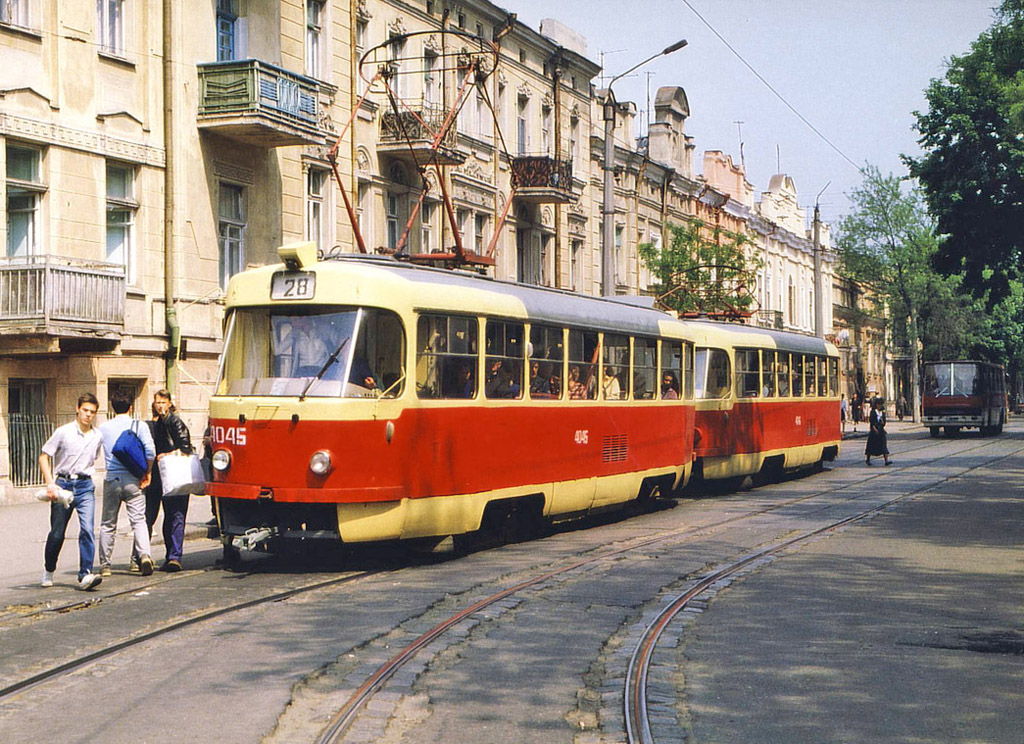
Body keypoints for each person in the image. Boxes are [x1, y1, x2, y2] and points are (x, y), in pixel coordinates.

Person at [38, 393, 104, 590]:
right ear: (77, 409)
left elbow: (93, 459)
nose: (88, 415)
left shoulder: (97, 436)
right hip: (63, 485)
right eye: (85, 410)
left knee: (87, 530)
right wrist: (51, 483)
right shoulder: (63, 432)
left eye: (92, 412)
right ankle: (49, 569)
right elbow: (44, 456)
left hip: (85, 487)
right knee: (57, 533)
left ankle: (85, 574)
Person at [98, 390, 157, 577]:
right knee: (139, 520)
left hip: (112, 479)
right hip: (133, 480)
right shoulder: (139, 425)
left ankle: (106, 565)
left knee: (108, 523)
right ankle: (144, 556)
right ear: (131, 407)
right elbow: (151, 452)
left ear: (112, 407)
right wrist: (147, 473)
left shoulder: (103, 428)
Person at [150, 389, 194, 572]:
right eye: (157, 402)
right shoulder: (160, 423)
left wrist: (166, 455)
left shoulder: (175, 422)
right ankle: (171, 556)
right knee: (169, 517)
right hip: (166, 477)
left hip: (178, 476)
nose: (160, 405)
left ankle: (175, 556)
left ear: (169, 403)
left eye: (163, 402)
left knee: (176, 515)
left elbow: (186, 448)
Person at [865, 397, 891, 466]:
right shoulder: (873, 412)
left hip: (881, 430)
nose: (880, 405)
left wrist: (883, 423)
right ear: (876, 404)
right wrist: (874, 429)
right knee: (871, 446)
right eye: (878, 404)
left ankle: (886, 461)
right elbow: (872, 422)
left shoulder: (882, 412)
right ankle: (868, 459)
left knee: (883, 446)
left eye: (881, 404)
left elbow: (884, 421)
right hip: (874, 431)